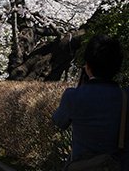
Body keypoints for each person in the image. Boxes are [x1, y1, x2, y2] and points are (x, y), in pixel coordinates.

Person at [52, 34, 128, 170]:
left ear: (87, 66)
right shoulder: (125, 96)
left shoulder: (73, 96)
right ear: (117, 67)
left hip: (83, 165)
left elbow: (59, 122)